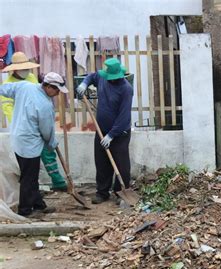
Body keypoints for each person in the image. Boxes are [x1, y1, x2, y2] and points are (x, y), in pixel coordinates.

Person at [0, 72, 68, 216]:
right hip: (29, 144)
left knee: (30, 174)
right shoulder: (44, 105)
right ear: (48, 87)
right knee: (28, 178)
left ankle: (38, 204)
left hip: (17, 138)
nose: (57, 94)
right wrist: (51, 143)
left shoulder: (25, 86)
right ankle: (24, 210)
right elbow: (46, 131)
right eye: (56, 90)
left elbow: (4, 89)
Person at [76, 58, 133, 204]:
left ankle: (121, 192)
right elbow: (91, 76)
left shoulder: (126, 89)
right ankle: (102, 192)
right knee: (101, 162)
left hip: (120, 133)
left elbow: (124, 116)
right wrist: (84, 84)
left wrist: (111, 135)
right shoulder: (102, 77)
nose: (110, 80)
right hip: (101, 130)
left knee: (121, 164)